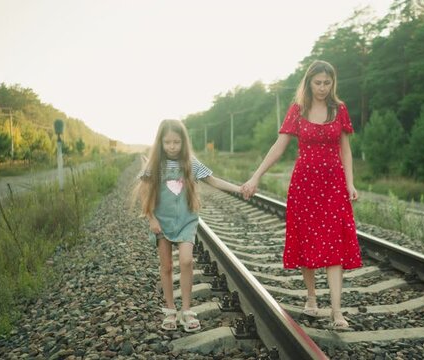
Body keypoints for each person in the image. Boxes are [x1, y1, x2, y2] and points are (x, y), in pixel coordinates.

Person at [241, 60, 362, 330]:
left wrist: (350, 183)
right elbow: (279, 146)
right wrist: (256, 176)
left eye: (327, 83)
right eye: (317, 83)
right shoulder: (298, 110)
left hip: (333, 185)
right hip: (304, 185)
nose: (322, 88)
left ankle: (337, 312)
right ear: (308, 83)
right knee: (306, 240)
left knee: (334, 244)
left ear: (333, 83)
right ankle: (311, 297)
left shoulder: (338, 109)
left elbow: (346, 150)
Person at [136, 119, 241, 332]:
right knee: (166, 267)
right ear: (161, 142)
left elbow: (214, 181)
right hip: (162, 222)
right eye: (168, 142)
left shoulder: (190, 163)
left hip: (186, 221)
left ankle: (186, 310)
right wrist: (152, 220)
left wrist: (239, 189)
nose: (172, 147)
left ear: (184, 142)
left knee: (186, 261)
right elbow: (144, 193)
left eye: (176, 142)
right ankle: (170, 310)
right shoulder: (155, 164)